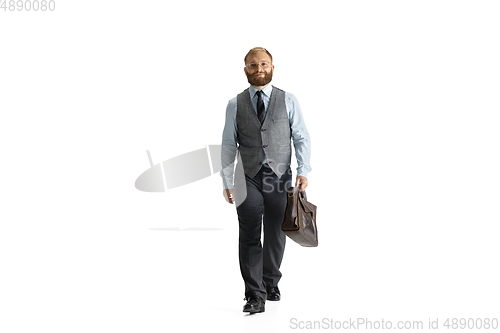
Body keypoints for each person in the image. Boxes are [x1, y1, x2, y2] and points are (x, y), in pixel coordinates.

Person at [220, 47, 312, 314]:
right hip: (247, 176)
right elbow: (228, 144)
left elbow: (302, 136)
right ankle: (254, 295)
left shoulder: (289, 99)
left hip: (279, 175)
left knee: (276, 231)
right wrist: (226, 180)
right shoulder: (235, 104)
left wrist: (303, 170)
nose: (259, 68)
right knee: (249, 234)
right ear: (245, 69)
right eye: (253, 65)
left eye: (264, 64)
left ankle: (271, 282)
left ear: (272, 67)